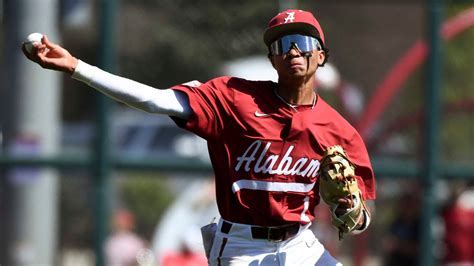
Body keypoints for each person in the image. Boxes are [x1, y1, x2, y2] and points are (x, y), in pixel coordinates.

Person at [22, 9, 376, 265]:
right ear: (272, 58)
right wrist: (78, 68)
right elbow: (155, 100)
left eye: (302, 41)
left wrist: (351, 210)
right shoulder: (234, 98)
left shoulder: (339, 131)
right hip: (241, 245)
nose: (293, 50)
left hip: (301, 245)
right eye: (282, 44)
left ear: (322, 55)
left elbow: (360, 220)